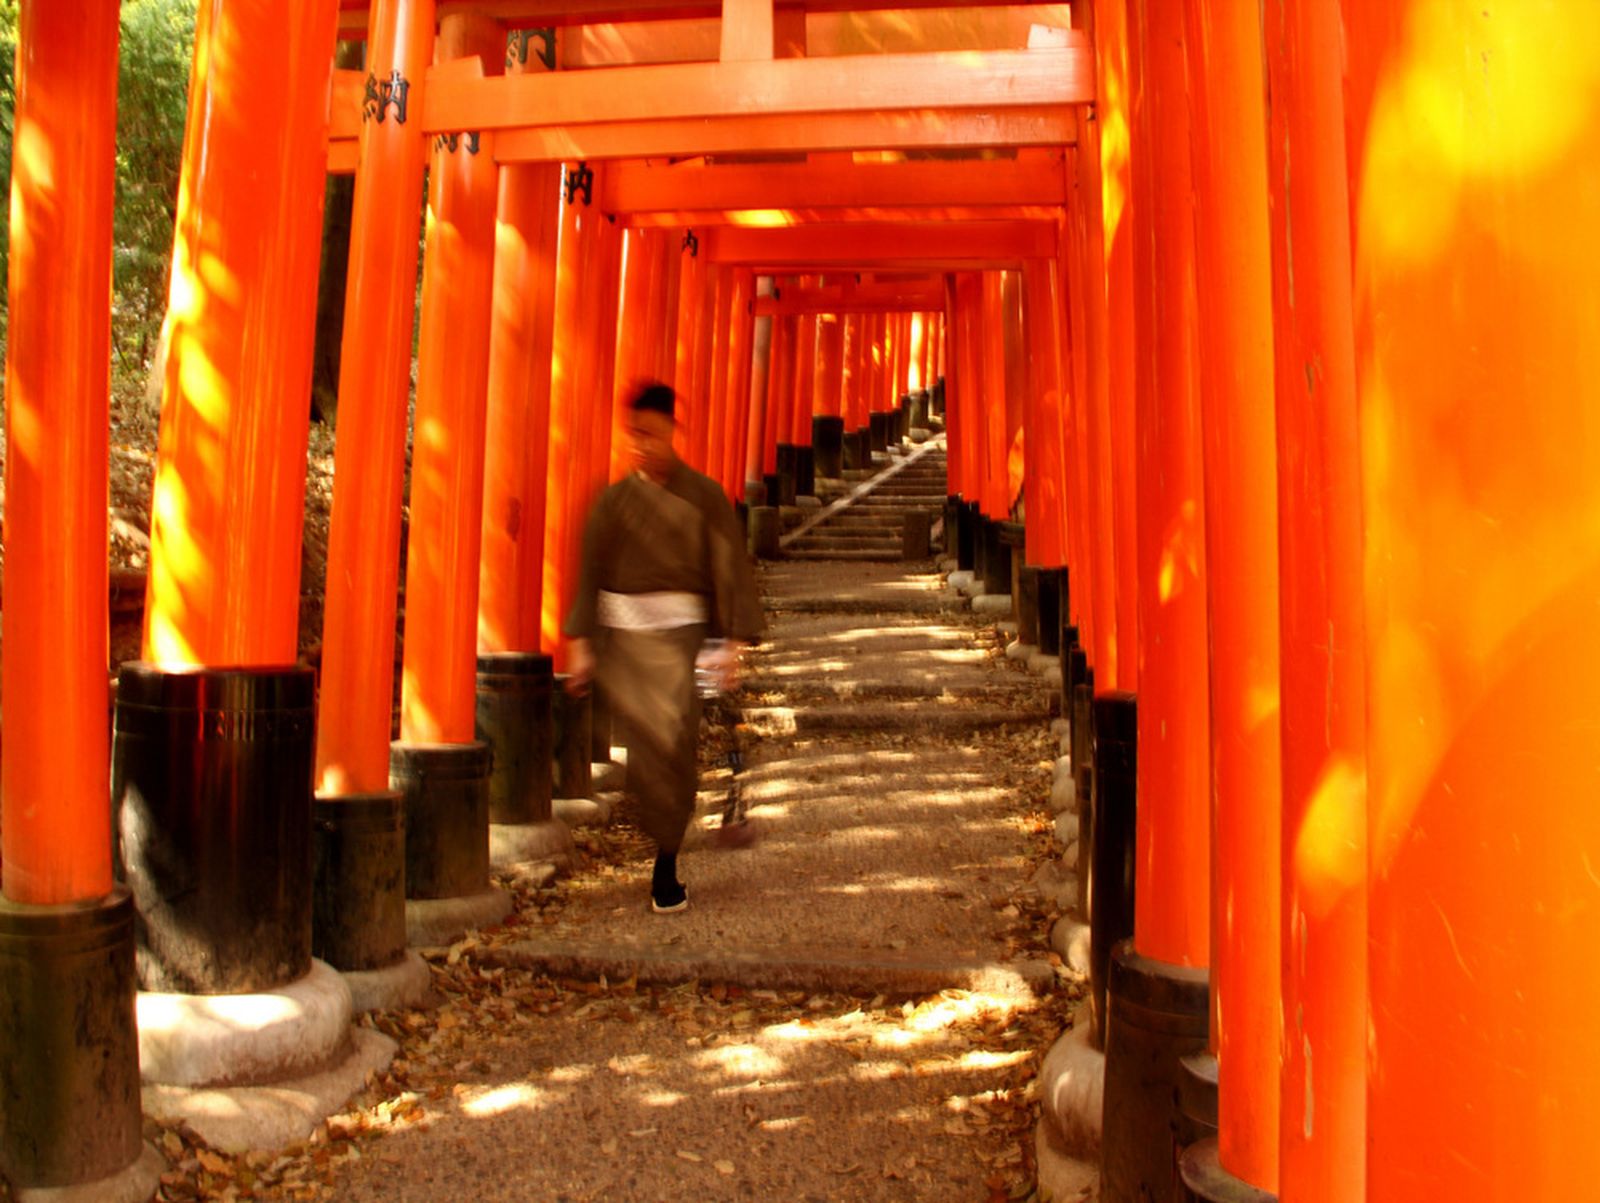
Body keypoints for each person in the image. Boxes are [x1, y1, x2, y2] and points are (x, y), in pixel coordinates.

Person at [564, 381, 764, 913]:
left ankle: (666, 857)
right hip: (626, 647)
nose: (641, 445)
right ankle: (662, 841)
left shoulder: (704, 496)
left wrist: (730, 644)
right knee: (645, 754)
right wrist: (583, 645)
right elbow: (591, 574)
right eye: (634, 434)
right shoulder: (612, 503)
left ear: (673, 432)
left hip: (684, 644)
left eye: (651, 434)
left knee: (675, 744)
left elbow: (729, 571)